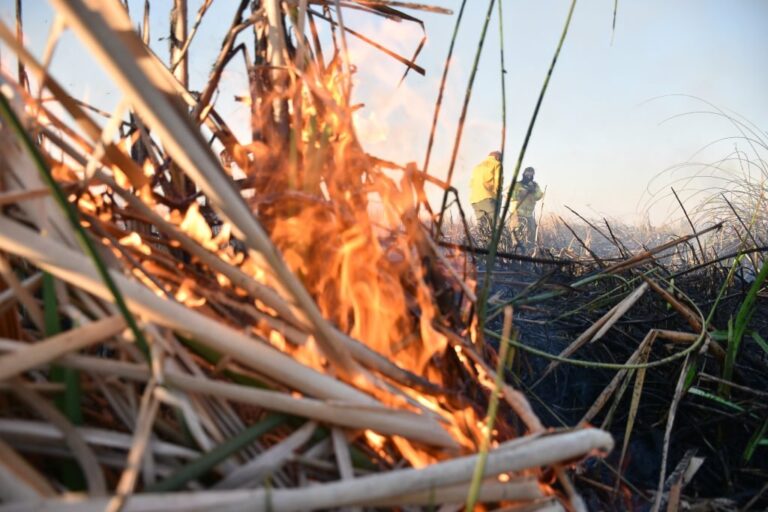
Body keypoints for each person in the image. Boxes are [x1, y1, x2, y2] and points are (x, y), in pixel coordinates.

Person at [509, 166, 544, 253]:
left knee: (532, 229)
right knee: (515, 230)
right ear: (524, 174)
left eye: (531, 174)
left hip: (528, 214)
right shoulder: (517, 185)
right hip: (516, 212)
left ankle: (529, 249)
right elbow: (511, 196)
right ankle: (514, 248)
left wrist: (533, 191)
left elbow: (539, 195)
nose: (529, 176)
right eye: (527, 174)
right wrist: (521, 192)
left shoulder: (535, 185)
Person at [469, 151, 502, 230]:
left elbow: (471, 183)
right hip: (487, 198)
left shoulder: (477, 166)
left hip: (474, 200)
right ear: (497, 157)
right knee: (498, 223)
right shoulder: (496, 164)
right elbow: (498, 183)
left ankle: (482, 240)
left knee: (483, 225)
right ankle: (503, 241)